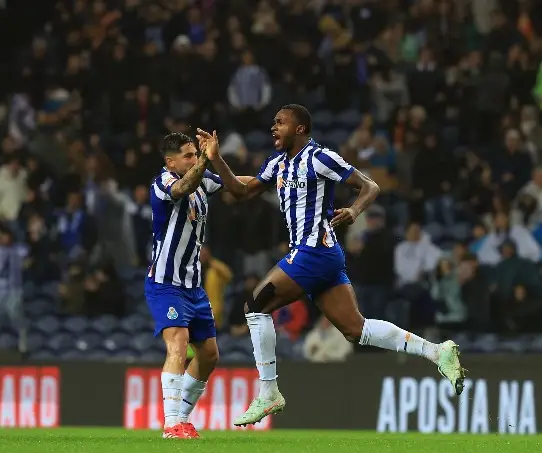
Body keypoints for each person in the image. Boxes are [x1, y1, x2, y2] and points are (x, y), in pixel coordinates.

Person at [196, 104, 466, 427]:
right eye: (272, 123)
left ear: (300, 129)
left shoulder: (320, 158)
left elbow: (371, 186)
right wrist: (215, 157)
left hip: (314, 251)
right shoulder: (278, 165)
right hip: (319, 256)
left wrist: (354, 211)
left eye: (280, 122)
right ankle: (438, 352)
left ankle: (268, 392)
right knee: (357, 329)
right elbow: (241, 191)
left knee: (255, 306)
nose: (273, 128)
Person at [145, 132, 223, 439]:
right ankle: (171, 424)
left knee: (210, 355)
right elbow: (183, 186)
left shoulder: (202, 179)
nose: (193, 160)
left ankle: (182, 419)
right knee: (178, 344)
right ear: (171, 161)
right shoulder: (162, 183)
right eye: (188, 155)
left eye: (195, 154)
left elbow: (235, 184)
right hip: (166, 283)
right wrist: (205, 159)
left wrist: (276, 176)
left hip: (194, 286)